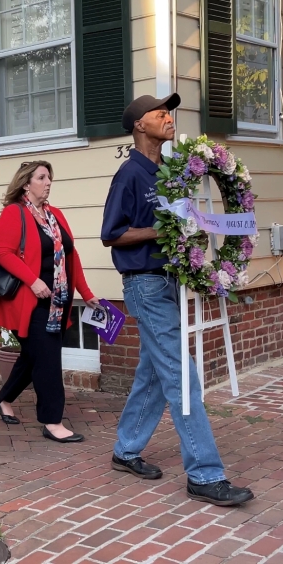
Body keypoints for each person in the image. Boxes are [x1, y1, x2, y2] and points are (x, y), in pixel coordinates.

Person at [101, 93, 253, 507]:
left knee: (153, 372)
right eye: (160, 113)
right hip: (144, 285)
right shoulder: (129, 175)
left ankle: (125, 448)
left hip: (169, 282)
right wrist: (166, 231)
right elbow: (111, 233)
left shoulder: (167, 172)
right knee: (181, 376)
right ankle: (205, 474)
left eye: (170, 112)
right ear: (139, 126)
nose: (169, 118)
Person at [0, 161, 99, 442]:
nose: (48, 182)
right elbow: (0, 251)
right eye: (41, 177)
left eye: (50, 177)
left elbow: (72, 257)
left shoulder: (55, 215)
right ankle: (52, 422)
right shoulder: (15, 213)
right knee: (47, 359)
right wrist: (32, 280)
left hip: (57, 303)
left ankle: (2, 397)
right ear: (26, 183)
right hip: (28, 303)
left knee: (33, 356)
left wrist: (86, 294)